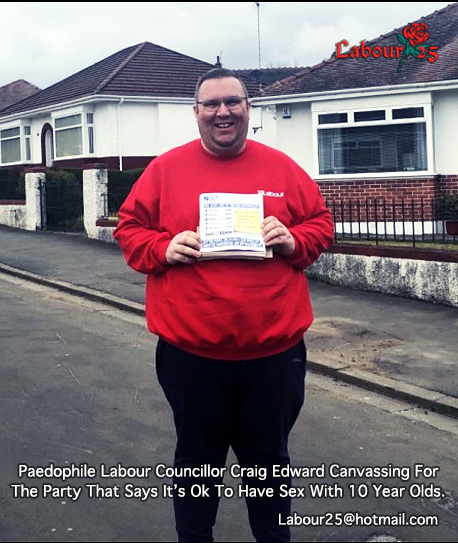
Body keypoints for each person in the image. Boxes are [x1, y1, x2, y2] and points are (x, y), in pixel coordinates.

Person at [114, 67, 334, 542]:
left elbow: (321, 223)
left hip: (274, 356)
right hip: (192, 356)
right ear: (196, 112)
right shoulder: (165, 169)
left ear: (248, 108)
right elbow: (129, 229)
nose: (222, 112)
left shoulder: (282, 168)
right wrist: (163, 248)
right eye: (211, 104)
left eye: (232, 102)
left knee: (269, 465)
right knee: (197, 464)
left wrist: (294, 240)